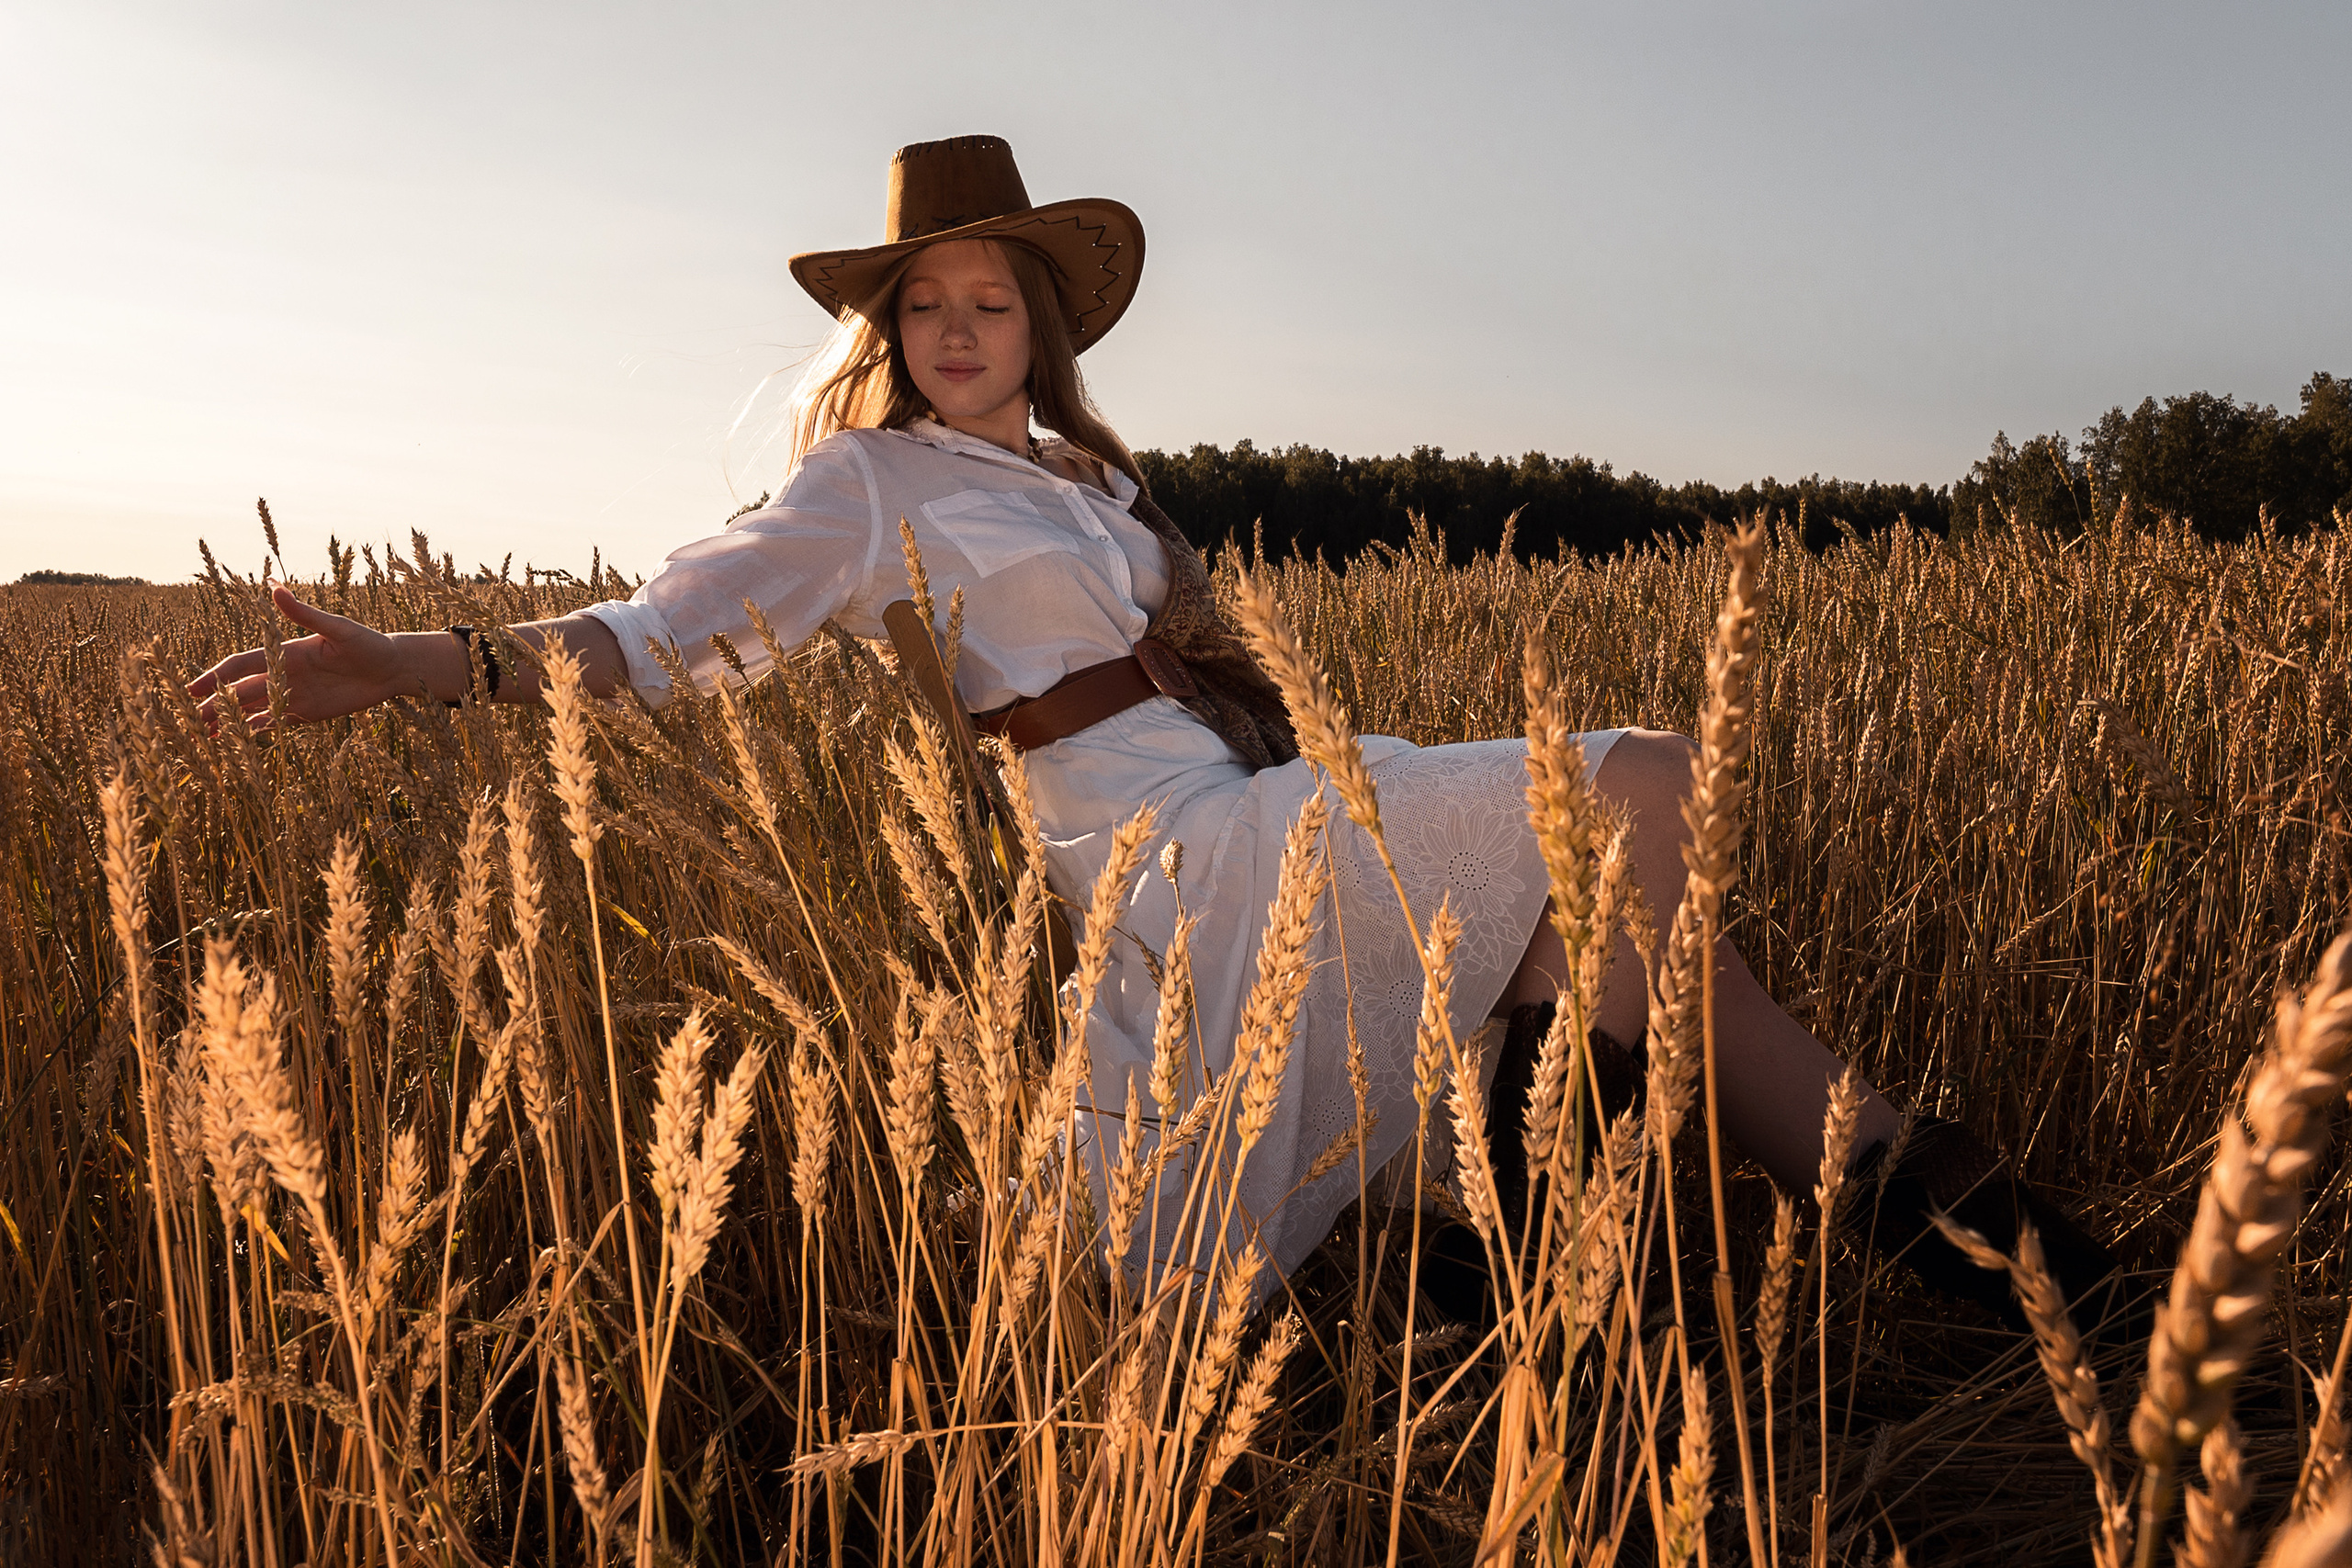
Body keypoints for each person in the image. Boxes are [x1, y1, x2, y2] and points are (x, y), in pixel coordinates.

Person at [190, 135, 2120, 1323]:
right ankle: (1721, 1245)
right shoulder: (864, 486)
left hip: (1246, 810)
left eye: (988, 299)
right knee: (1624, 780)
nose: (955, 327)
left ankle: (1975, 1248)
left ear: (1038, 320)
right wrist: (423, 657)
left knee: (1606, 950)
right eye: (921, 302)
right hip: (1151, 864)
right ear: (887, 328)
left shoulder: (1100, 495)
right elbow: (659, 630)